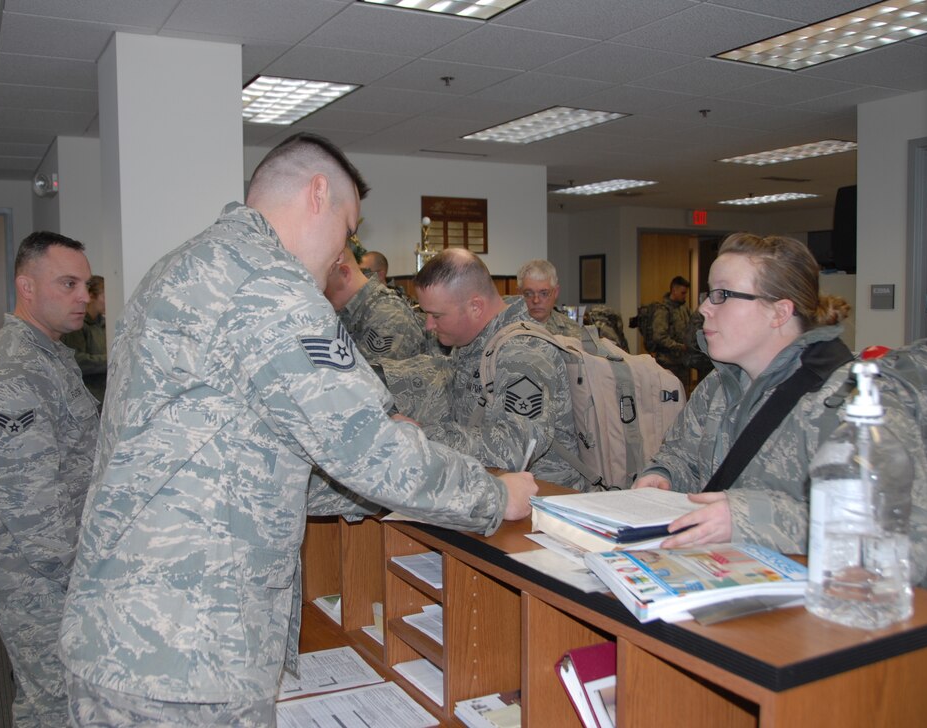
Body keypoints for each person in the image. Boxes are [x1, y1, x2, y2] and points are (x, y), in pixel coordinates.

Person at [59, 132, 537, 726]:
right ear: (317, 194)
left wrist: (366, 493)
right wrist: (496, 495)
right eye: (347, 228)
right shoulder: (272, 286)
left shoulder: (185, 266)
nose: (343, 254)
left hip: (129, 632)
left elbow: (250, 463)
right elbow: (371, 450)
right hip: (189, 650)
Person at [632, 233, 927, 581]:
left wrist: (749, 518)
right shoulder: (717, 387)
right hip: (727, 584)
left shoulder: (855, 401)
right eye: (707, 294)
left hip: (826, 608)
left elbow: (905, 542)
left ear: (779, 312)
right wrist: (663, 478)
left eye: (722, 295)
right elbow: (681, 456)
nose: (703, 308)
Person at [0, 231, 100, 727]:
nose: (84, 296)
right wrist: (86, 583)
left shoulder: (48, 357)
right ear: (27, 286)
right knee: (55, 707)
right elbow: (33, 511)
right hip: (40, 579)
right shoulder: (14, 372)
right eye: (68, 283)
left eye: (86, 284)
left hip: (57, 568)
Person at [384, 249, 587, 490]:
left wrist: (420, 437)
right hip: (500, 492)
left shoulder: (523, 354)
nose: (429, 325)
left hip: (544, 502)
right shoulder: (478, 340)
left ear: (476, 307)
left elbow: (514, 448)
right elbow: (444, 378)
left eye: (436, 315)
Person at [324, 242, 426, 363]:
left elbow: (371, 378)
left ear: (344, 273)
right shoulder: (346, 308)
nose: (319, 288)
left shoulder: (386, 313)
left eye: (324, 280)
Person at [60, 274, 107, 405]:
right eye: (105, 296)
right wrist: (111, 360)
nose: (109, 301)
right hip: (87, 397)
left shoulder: (104, 325)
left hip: (104, 395)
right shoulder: (77, 326)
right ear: (91, 296)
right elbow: (77, 360)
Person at [649, 275, 693, 387]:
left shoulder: (684, 309)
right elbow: (659, 336)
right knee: (669, 398)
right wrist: (679, 346)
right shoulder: (663, 310)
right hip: (668, 363)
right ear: (674, 290)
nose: (685, 296)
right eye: (683, 293)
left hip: (682, 362)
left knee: (684, 396)